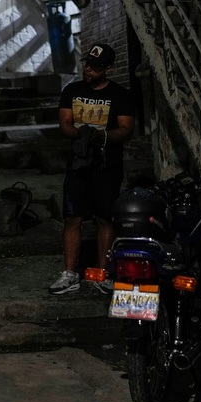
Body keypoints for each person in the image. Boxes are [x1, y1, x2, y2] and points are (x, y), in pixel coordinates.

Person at [49, 43, 136, 295]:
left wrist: (100, 136)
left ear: (108, 69)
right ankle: (70, 274)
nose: (88, 69)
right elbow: (64, 123)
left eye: (95, 67)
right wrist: (81, 135)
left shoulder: (120, 95)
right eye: (87, 64)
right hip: (78, 165)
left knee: (104, 218)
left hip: (107, 165)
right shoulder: (72, 90)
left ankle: (101, 273)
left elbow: (126, 129)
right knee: (72, 218)